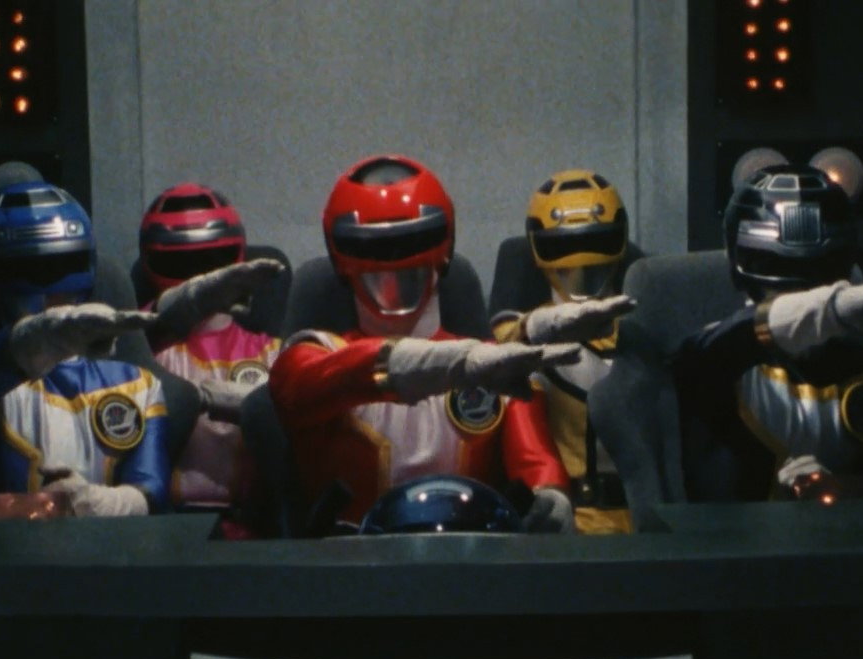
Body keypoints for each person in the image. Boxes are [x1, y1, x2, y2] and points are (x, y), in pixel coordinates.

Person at [269, 155, 579, 533]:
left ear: (443, 251)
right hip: (350, 562)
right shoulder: (319, 355)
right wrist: (431, 364)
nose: (393, 277)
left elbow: (536, 461)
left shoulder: (492, 364)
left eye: (410, 246)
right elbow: (291, 388)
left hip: (473, 558)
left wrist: (550, 499)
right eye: (377, 252)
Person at [674, 165, 863, 501]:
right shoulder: (711, 359)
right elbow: (712, 351)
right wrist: (830, 308)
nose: (801, 296)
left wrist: (841, 492)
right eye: (781, 277)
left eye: (814, 279)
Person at [0, 181, 170, 516]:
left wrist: (99, 502)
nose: (45, 289)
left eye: (59, 266)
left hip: (108, 545)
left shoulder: (138, 385)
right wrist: (40, 337)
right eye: (22, 268)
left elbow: (152, 490)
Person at [490, 169, 636, 533]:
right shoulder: (523, 336)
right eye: (562, 248)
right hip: (567, 520)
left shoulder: (650, 326)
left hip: (648, 518)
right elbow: (499, 350)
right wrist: (536, 329)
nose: (581, 265)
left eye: (597, 242)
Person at [137, 183, 284, 526]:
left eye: (209, 262)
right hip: (164, 526)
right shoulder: (140, 346)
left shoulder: (272, 351)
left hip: (255, 529)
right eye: (181, 263)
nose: (198, 276)